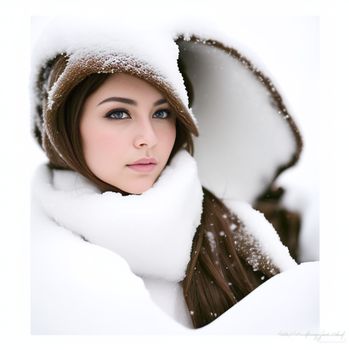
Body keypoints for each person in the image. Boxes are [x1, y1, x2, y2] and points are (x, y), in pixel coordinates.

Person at [31, 19, 303, 333]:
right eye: (118, 113)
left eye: (162, 113)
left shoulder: (233, 230)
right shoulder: (28, 263)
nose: (149, 137)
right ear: (64, 126)